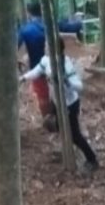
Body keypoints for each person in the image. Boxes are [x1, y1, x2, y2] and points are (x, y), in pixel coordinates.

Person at [20, 37, 99, 171]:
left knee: (75, 134)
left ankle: (91, 159)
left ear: (54, 48)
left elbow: (79, 86)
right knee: (52, 124)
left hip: (70, 103)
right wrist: (23, 78)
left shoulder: (65, 64)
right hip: (56, 102)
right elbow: (37, 71)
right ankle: (68, 149)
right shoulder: (45, 60)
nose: (44, 47)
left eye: (47, 45)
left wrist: (67, 81)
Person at [18, 2, 52, 120]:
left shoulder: (26, 29)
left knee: (42, 95)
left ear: (28, 13)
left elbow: (16, 47)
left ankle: (48, 119)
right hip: (55, 65)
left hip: (37, 67)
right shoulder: (50, 25)